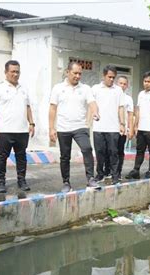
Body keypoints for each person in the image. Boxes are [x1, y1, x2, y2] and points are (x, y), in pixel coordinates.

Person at [49, 61, 101, 193]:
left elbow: (92, 103)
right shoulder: (57, 88)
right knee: (65, 156)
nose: (78, 76)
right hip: (63, 128)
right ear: (67, 72)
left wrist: (95, 112)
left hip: (80, 126)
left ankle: (90, 179)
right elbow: (52, 109)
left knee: (87, 148)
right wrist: (51, 128)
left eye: (80, 74)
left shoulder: (85, 89)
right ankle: (66, 182)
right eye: (75, 73)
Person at [0, 60, 35, 193]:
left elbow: (28, 107)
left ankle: (21, 180)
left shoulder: (24, 88)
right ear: (6, 72)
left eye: (17, 72)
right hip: (5, 130)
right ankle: (1, 181)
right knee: (2, 157)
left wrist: (31, 123)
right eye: (12, 71)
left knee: (21, 157)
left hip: (21, 130)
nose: (15, 74)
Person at [126, 71, 150, 179]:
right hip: (141, 128)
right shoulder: (141, 94)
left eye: (149, 81)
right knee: (139, 150)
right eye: (145, 81)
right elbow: (138, 110)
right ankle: (136, 170)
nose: (146, 83)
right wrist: (136, 125)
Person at [92, 65, 125, 185]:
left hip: (113, 127)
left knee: (113, 153)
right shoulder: (95, 89)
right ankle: (100, 174)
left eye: (113, 77)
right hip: (99, 127)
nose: (111, 79)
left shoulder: (118, 90)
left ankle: (115, 176)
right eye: (109, 77)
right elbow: (91, 105)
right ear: (104, 76)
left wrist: (122, 124)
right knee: (100, 152)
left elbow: (121, 108)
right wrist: (89, 122)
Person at [103, 76, 134, 180]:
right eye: (120, 83)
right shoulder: (111, 94)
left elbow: (130, 115)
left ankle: (117, 173)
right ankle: (107, 172)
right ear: (117, 83)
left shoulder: (128, 99)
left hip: (122, 130)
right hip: (110, 128)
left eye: (125, 84)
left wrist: (130, 129)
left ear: (127, 86)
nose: (122, 85)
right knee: (108, 151)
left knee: (119, 152)